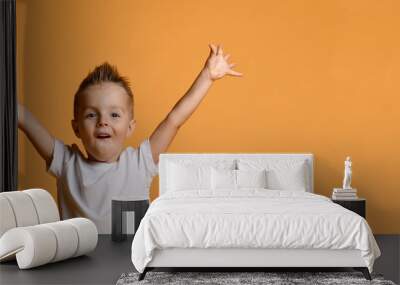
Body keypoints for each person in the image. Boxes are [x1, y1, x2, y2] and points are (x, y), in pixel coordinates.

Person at [18, 44, 242, 233]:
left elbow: (174, 120)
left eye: (114, 115)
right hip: (80, 268)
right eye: (91, 115)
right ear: (76, 127)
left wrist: (207, 77)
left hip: (129, 269)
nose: (103, 121)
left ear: (130, 127)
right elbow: (25, 120)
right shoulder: (66, 163)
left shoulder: (140, 163)